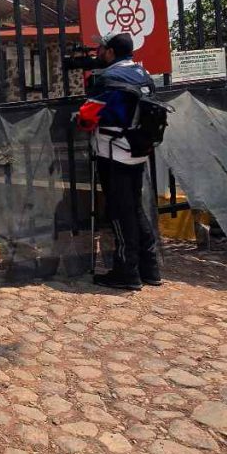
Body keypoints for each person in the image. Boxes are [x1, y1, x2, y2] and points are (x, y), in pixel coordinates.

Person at [76, 33, 161, 291]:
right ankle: (151, 268)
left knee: (120, 212)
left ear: (111, 52)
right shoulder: (143, 74)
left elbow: (87, 116)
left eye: (101, 48)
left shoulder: (107, 79)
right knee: (134, 208)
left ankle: (127, 272)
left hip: (115, 152)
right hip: (139, 149)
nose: (98, 52)